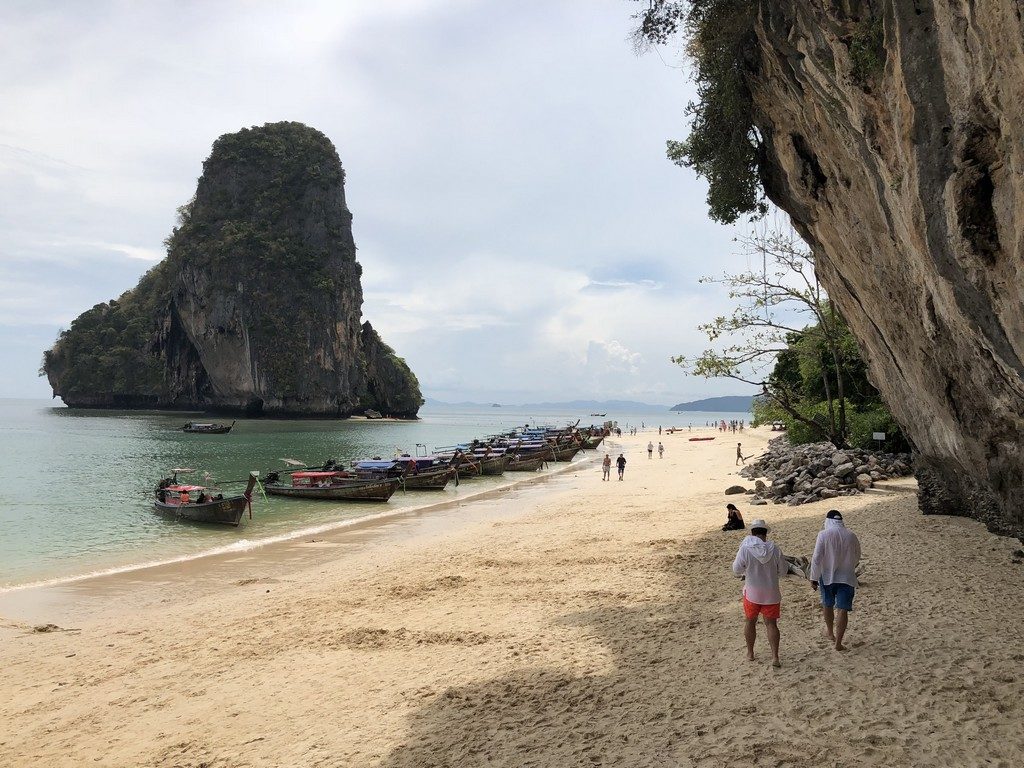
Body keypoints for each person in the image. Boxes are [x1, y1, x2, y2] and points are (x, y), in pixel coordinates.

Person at [732, 519, 787, 667]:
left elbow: (736, 569)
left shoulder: (745, 548)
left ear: (752, 533)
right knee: (771, 624)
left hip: (752, 593)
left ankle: (750, 653)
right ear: (765, 534)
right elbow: (783, 571)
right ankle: (775, 656)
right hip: (771, 593)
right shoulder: (775, 548)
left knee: (750, 621)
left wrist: (746, 571)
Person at [810, 510, 862, 651]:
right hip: (847, 576)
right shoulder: (851, 535)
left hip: (827, 575)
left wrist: (813, 578)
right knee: (842, 609)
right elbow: (858, 555)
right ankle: (838, 642)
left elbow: (816, 558)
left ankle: (830, 632)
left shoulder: (823, 534)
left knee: (827, 604)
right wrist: (849, 565)